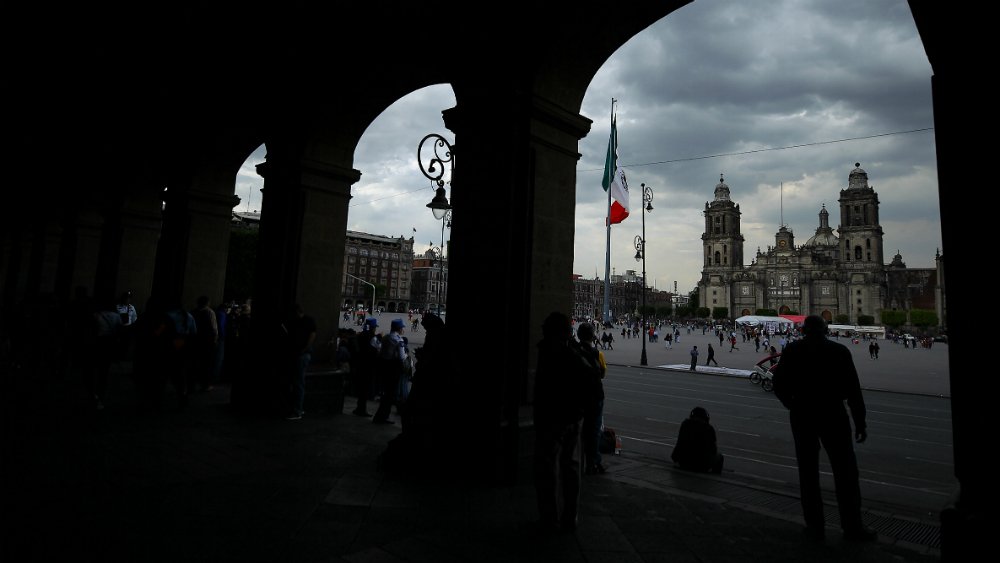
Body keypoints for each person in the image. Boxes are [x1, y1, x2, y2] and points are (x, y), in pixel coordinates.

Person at [772, 315, 877, 542]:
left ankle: (814, 526)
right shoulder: (839, 351)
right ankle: (852, 526)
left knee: (808, 472)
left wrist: (791, 404)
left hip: (802, 414)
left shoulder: (793, 349)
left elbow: (777, 383)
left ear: (804, 330)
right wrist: (860, 421)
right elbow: (853, 389)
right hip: (833, 414)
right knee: (846, 471)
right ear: (825, 329)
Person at [533, 312, 597, 534]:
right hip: (574, 416)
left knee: (548, 467)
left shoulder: (550, 351)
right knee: (572, 466)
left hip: (553, 417)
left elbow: (543, 387)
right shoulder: (574, 352)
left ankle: (550, 517)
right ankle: (571, 516)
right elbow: (591, 378)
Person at [576, 323, 608, 475]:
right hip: (595, 395)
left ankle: (595, 460)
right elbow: (602, 373)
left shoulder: (573, 351)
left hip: (578, 394)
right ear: (593, 336)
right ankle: (592, 462)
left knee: (580, 429)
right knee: (594, 429)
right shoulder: (598, 354)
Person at [284, 304, 316, 420]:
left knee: (298, 383)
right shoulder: (296, 322)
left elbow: (312, 336)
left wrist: (302, 350)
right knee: (294, 382)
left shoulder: (308, 320)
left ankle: (296, 411)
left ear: (298, 312)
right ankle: (297, 408)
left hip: (301, 355)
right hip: (296, 354)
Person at [372, 318, 407, 424]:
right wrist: (406, 355)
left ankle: (379, 415)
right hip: (394, 368)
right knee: (391, 393)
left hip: (384, 366)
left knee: (385, 392)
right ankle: (384, 416)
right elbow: (401, 356)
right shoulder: (399, 340)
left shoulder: (386, 337)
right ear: (400, 329)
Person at [671, 407, 723, 473]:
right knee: (719, 456)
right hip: (702, 465)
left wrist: (676, 457)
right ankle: (715, 475)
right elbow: (714, 449)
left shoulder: (685, 424)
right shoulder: (709, 428)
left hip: (684, 462)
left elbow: (679, 443)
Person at [189, 296, 218, 393]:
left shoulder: (192, 312)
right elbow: (214, 328)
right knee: (207, 365)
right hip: (207, 341)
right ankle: (205, 385)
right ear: (207, 303)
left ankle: (191, 385)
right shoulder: (209, 312)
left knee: (193, 364)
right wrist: (214, 340)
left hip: (195, 340)